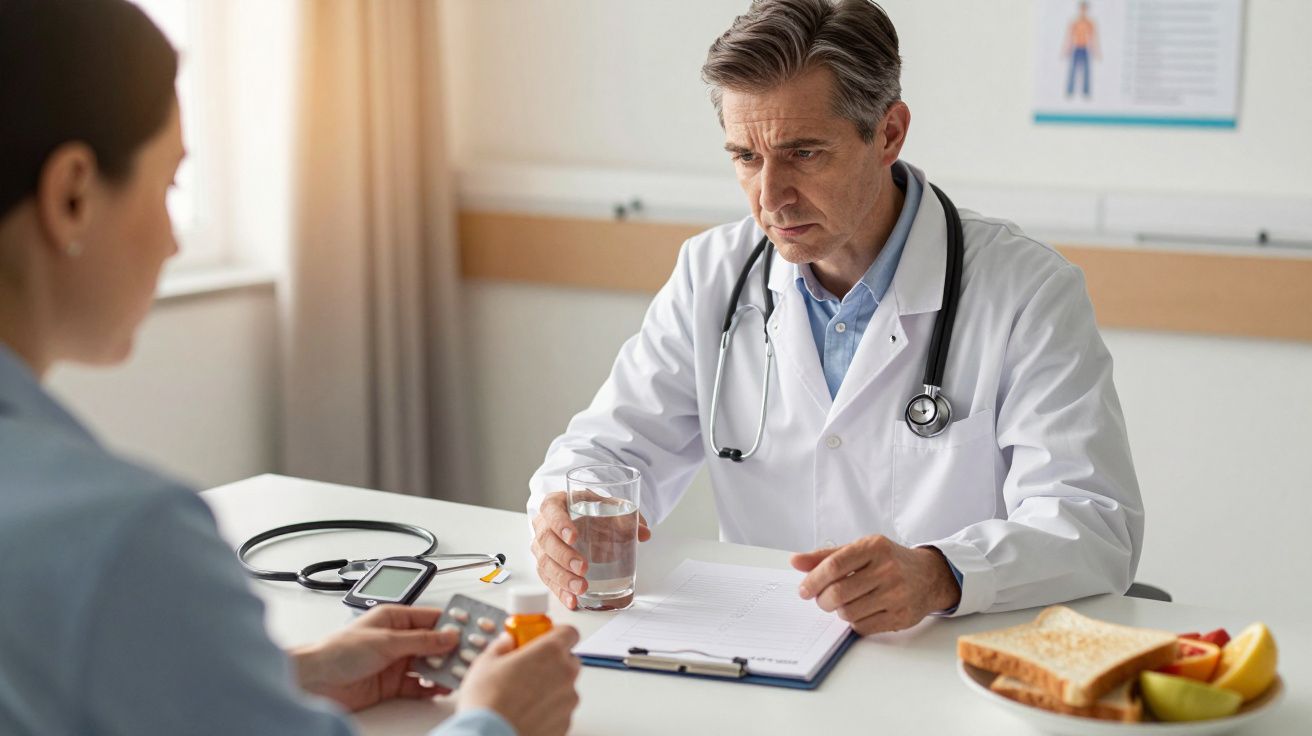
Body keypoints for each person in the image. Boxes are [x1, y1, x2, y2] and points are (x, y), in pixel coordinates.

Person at [0, 1, 579, 735]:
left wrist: (283, 677)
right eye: (169, 186)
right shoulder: (123, 538)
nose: (173, 242)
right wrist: (495, 720)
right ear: (72, 196)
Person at [529, 0, 1142, 635]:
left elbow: (1093, 521)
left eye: (803, 153)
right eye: (745, 157)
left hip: (940, 655)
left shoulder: (1026, 290)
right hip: (762, 643)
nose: (770, 198)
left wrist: (941, 572)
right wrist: (565, 511)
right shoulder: (712, 273)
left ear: (889, 133)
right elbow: (606, 449)